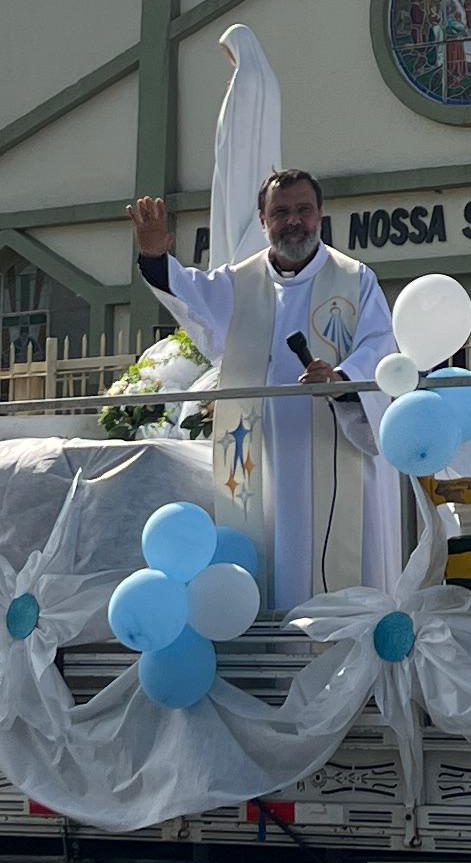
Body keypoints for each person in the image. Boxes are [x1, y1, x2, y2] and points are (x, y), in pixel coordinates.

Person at [128, 168, 395, 605]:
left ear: (320, 215)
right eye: (281, 212)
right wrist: (155, 258)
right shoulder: (239, 283)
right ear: (262, 221)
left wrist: (342, 379)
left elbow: (381, 348)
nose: (294, 222)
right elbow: (187, 296)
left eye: (304, 211)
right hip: (263, 463)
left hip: (341, 449)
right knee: (273, 561)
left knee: (348, 571)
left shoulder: (355, 279)